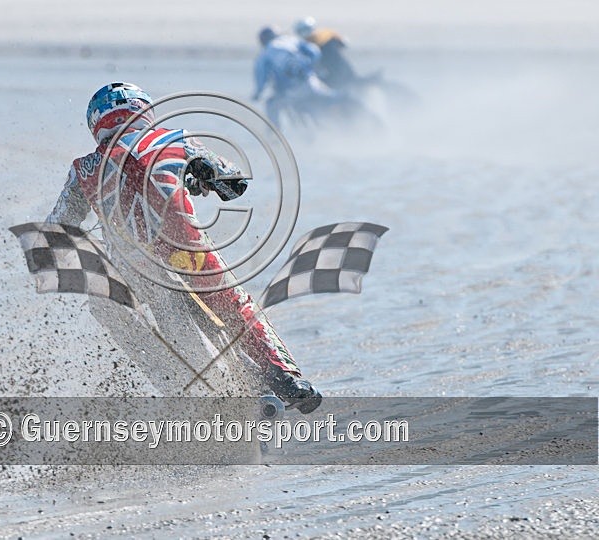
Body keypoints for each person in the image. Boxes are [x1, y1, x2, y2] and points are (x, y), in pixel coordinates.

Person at [46, 82, 322, 413]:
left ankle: (186, 396)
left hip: (130, 270)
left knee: (121, 316)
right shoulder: (171, 138)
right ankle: (288, 380)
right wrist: (201, 178)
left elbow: (57, 226)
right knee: (236, 304)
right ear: (143, 110)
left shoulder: (83, 169)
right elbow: (234, 183)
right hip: (186, 252)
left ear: (97, 124)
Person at [252, 26, 344, 129]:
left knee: (271, 105)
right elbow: (314, 51)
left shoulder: (264, 54)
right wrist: (311, 66)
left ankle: (274, 136)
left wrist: (257, 94)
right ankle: (347, 113)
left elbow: (261, 79)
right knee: (334, 97)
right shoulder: (292, 40)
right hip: (311, 83)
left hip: (289, 93)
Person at [294, 17, 381, 91]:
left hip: (332, 70)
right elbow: (344, 44)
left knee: (339, 87)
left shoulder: (307, 46)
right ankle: (370, 82)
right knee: (351, 81)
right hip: (341, 65)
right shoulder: (327, 33)